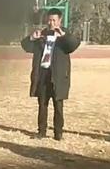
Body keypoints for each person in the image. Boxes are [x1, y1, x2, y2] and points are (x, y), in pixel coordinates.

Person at [21, 8, 80, 141]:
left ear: (59, 21)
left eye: (54, 20)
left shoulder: (64, 35)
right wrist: (31, 38)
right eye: (49, 20)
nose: (51, 23)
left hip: (57, 75)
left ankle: (58, 133)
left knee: (58, 105)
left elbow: (73, 45)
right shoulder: (42, 34)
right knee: (42, 104)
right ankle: (41, 131)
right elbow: (25, 46)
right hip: (43, 73)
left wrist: (63, 36)